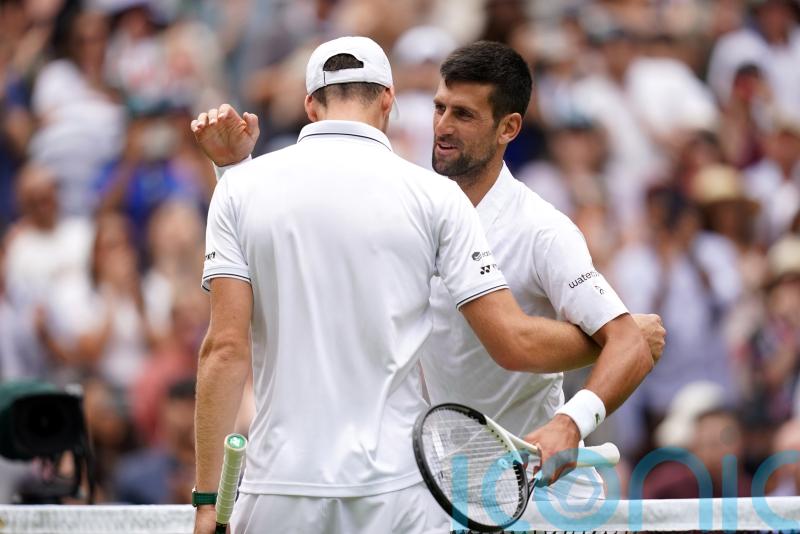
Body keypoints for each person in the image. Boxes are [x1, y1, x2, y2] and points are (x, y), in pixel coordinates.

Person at [192, 37, 657, 534]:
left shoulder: (539, 229)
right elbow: (512, 338)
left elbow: (233, 332)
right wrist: (610, 340)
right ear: (391, 99)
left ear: (510, 128)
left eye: (463, 114)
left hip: (528, 494)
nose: (443, 126)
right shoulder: (429, 198)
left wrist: (574, 417)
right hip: (414, 490)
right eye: (439, 108)